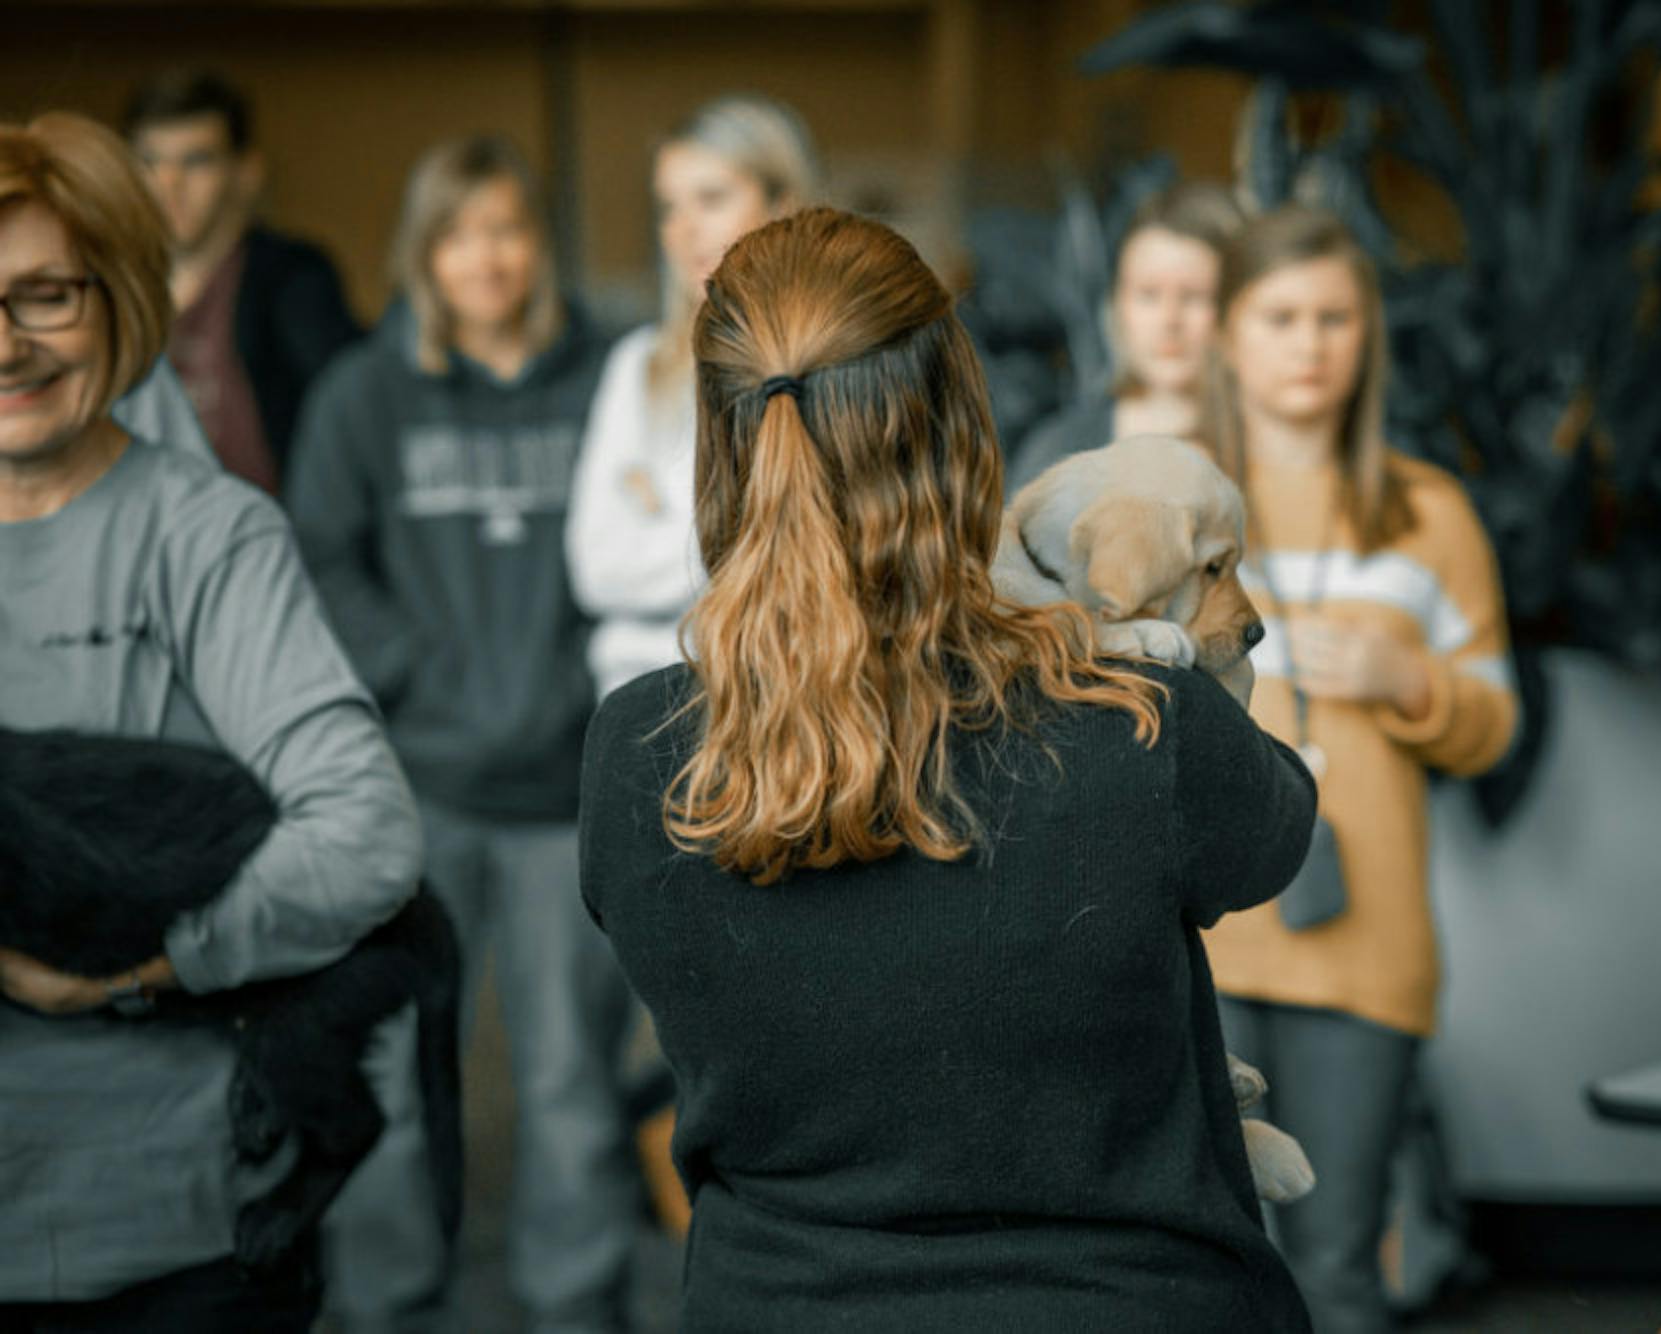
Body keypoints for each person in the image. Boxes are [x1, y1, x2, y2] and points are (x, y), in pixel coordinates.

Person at [578, 206, 1316, 1332]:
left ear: (720, 444)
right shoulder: (1140, 724)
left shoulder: (636, 758)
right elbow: (1273, 825)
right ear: (964, 430)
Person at [0, 110, 420, 1332]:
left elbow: (364, 836)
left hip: (150, 1216)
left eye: (47, 296)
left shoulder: (203, 533)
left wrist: (138, 972)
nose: (10, 344)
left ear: (122, 300)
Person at [286, 134, 630, 1333]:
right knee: (392, 1072)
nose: (485, 256)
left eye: (506, 228)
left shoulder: (610, 383)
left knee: (568, 1078)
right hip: (414, 791)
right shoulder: (363, 395)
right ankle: (383, 1304)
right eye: (458, 232)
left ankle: (573, 1302)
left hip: (564, 795)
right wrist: (412, 672)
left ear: (539, 243)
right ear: (424, 255)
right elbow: (320, 553)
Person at [1196, 205, 1518, 1332]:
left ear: (1367, 335)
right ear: (1227, 334)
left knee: (1335, 1269)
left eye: (1335, 317)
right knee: (1199, 1269)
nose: (1309, 342)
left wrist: (1411, 680)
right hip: (1199, 936)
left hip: (1365, 944)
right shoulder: (1182, 502)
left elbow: (1496, 728)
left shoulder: (1429, 513)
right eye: (1280, 316)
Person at [566, 93, 817, 698]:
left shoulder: (831, 361)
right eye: (668, 207)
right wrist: (742, 531)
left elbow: (816, 564)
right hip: (638, 704)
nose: (684, 229)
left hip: (787, 698)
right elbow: (596, 567)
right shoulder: (636, 366)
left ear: (783, 202)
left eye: (712, 198)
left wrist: (661, 510)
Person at [123, 68, 361, 492]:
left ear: (245, 172)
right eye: (150, 161)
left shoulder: (293, 280)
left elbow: (350, 414)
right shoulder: (106, 286)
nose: (169, 183)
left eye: (196, 161)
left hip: (269, 539)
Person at [1006, 180, 1243, 494]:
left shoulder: (1276, 448)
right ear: (1117, 306)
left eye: (1194, 296)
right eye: (1148, 295)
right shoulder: (1059, 450)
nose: (1169, 319)